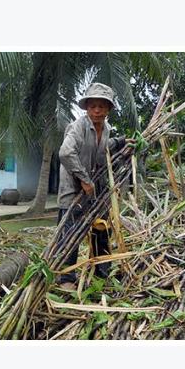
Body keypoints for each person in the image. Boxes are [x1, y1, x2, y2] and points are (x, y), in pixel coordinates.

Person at [57, 82, 134, 290]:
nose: (97, 110)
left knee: (101, 230)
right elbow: (65, 153)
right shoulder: (78, 127)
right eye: (93, 106)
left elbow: (103, 150)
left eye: (102, 106)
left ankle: (102, 273)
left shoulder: (107, 129)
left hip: (95, 191)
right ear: (87, 108)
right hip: (73, 189)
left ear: (108, 109)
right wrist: (83, 178)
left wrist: (120, 143)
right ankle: (66, 278)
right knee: (70, 234)